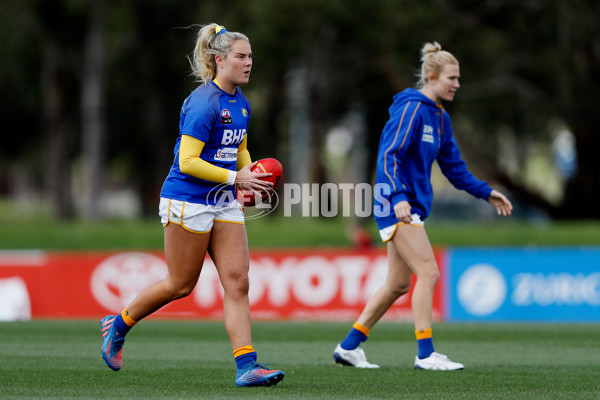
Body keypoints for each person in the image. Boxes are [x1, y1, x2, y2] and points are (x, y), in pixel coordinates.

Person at [100, 23, 284, 387]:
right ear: (219, 60)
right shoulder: (205, 102)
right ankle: (117, 324)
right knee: (180, 284)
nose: (249, 63)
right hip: (187, 200)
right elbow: (187, 161)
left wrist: (249, 173)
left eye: (250, 57)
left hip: (222, 201)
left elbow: (239, 148)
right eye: (241, 57)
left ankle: (247, 366)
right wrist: (236, 179)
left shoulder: (241, 102)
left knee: (239, 281)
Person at [333, 42, 512, 371]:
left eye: (458, 79)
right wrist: (397, 196)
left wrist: (487, 193)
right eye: (452, 78)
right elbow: (389, 155)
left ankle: (349, 347)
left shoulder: (440, 119)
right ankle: (426, 354)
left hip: (408, 206)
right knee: (429, 272)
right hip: (396, 204)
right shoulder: (412, 108)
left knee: (398, 285)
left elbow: (455, 169)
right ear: (432, 77)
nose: (457, 84)